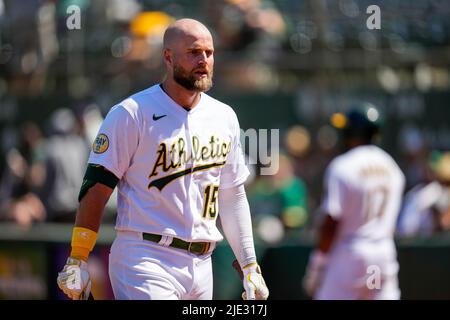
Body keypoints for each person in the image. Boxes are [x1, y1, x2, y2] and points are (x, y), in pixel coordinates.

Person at [56, 18, 269, 300]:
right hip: (146, 257)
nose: (204, 60)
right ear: (168, 57)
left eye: (209, 52)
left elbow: (232, 196)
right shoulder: (132, 113)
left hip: (203, 263)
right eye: (194, 52)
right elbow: (96, 188)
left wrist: (250, 264)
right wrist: (78, 256)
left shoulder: (224, 116)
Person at [302, 103, 405, 300]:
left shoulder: (343, 166)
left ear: (352, 132)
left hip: (350, 254)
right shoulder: (392, 167)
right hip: (383, 252)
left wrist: (317, 264)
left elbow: (332, 221)